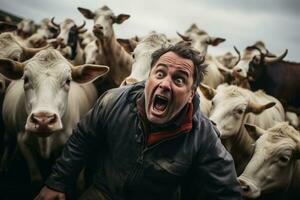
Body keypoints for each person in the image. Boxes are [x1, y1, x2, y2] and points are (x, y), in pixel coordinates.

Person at [35, 43, 242, 200]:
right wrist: (57, 183)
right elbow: (83, 139)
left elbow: (226, 191)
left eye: (179, 79)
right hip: (103, 193)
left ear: (191, 94)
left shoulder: (203, 136)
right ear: (148, 78)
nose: (165, 84)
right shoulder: (112, 101)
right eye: (159, 73)